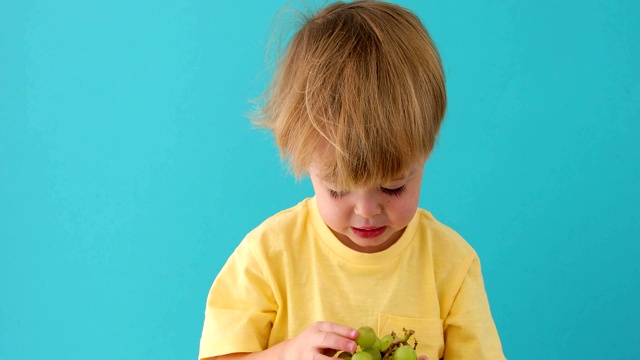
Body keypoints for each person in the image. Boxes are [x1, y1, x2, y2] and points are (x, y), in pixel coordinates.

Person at [199, 1, 506, 359]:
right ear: (304, 161)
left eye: (393, 186)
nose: (366, 211)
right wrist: (289, 354)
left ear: (426, 152)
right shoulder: (268, 256)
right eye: (338, 189)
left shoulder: (451, 266)